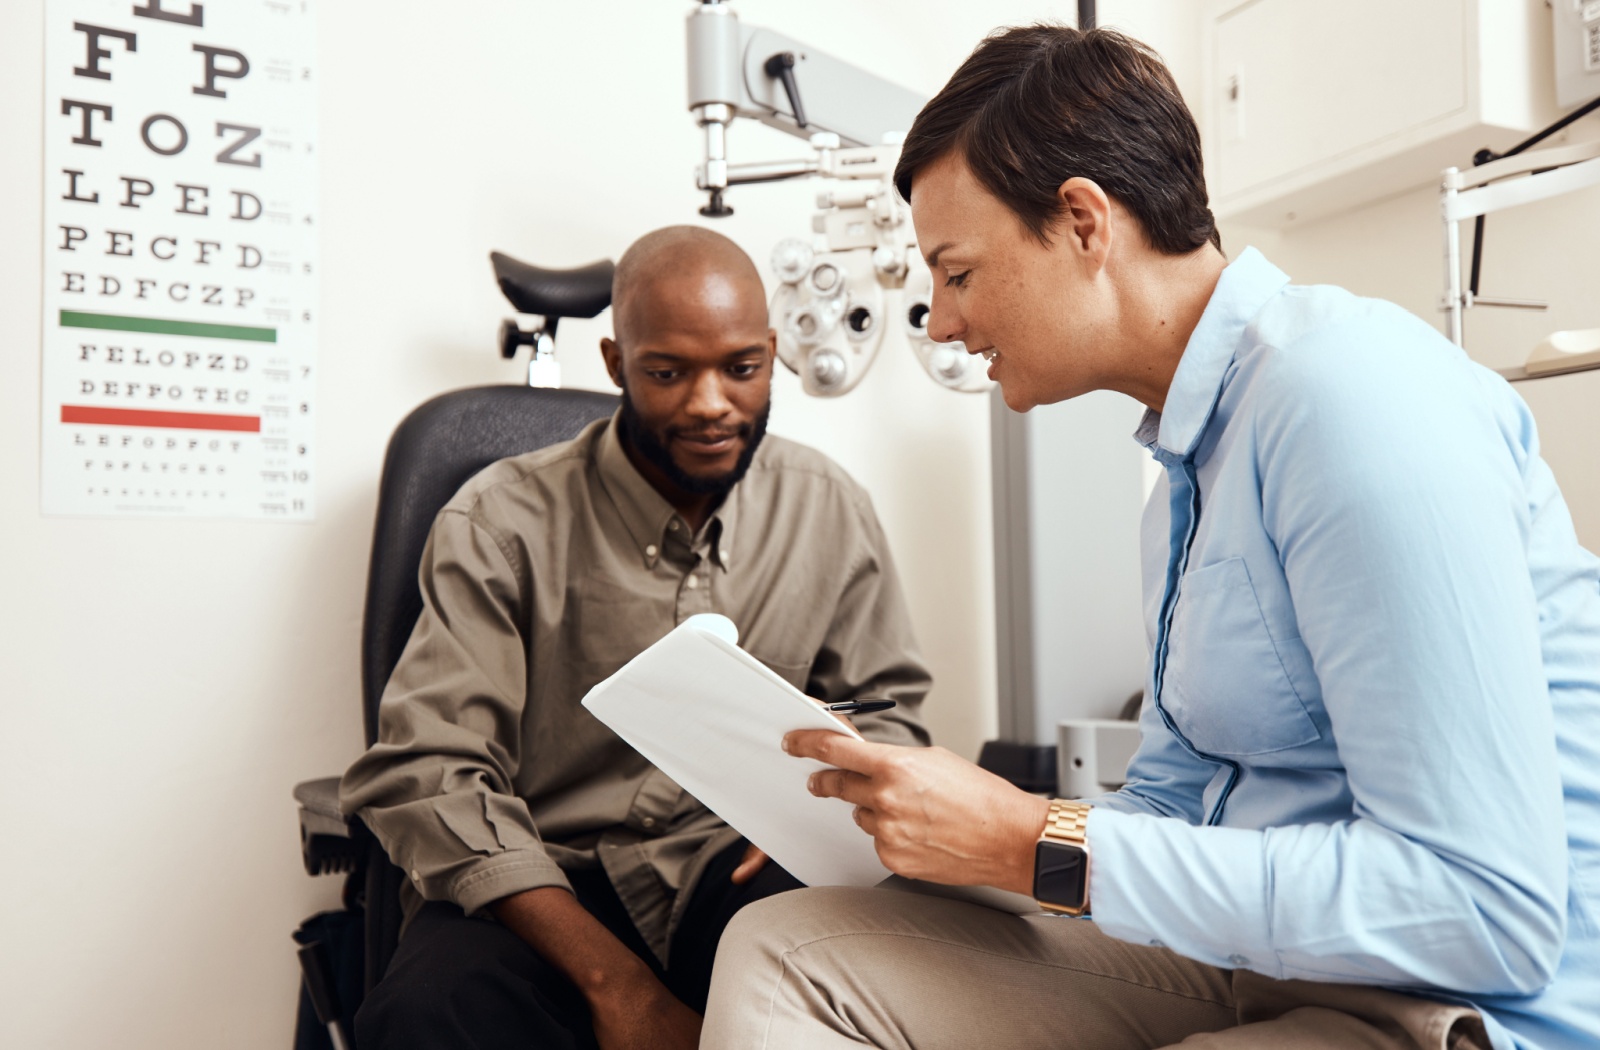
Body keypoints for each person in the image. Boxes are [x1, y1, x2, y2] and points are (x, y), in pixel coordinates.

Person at [700, 25, 1599, 1050]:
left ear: (1083, 221)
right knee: (788, 952)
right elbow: (1173, 807)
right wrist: (950, 826)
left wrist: (1026, 841)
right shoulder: (1184, 482)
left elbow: (1482, 909)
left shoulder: (1353, 398)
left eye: (956, 273)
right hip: (1265, 968)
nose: (941, 322)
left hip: (1467, 1011)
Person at [340, 225, 931, 1050]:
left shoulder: (827, 507)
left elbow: (893, 721)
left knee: (865, 973)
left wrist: (816, 810)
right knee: (433, 1010)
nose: (710, 403)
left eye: (741, 368)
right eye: (667, 372)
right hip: (543, 872)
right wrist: (618, 987)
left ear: (771, 353)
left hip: (732, 864)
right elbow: (430, 767)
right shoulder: (500, 519)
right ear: (617, 366)